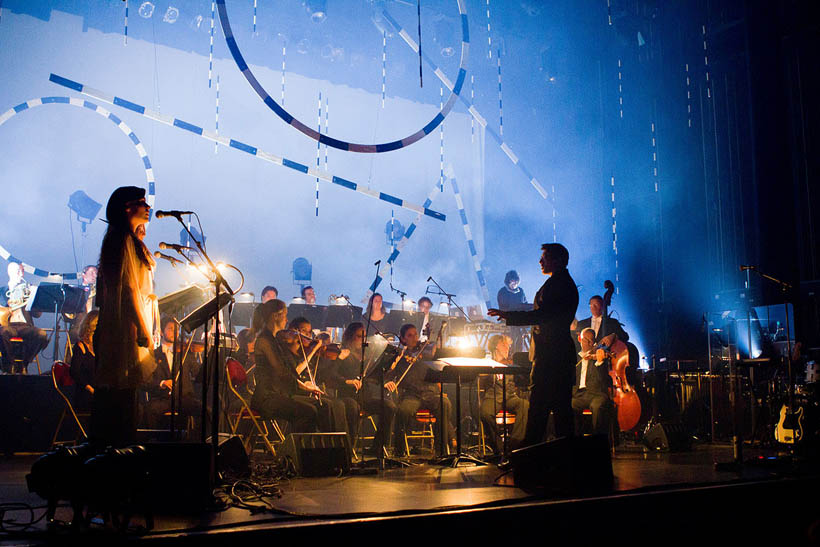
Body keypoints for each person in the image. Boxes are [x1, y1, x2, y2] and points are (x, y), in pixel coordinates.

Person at [488, 243, 579, 444]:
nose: (540, 261)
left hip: (550, 357)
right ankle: (560, 460)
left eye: (544, 257)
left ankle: (529, 458)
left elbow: (542, 316)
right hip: (556, 355)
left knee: (539, 410)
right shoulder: (560, 282)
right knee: (558, 411)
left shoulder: (559, 284)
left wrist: (508, 315)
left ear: (557, 261)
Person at [91, 186, 158, 447]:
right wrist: (142, 329)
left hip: (127, 325)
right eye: (142, 202)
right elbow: (128, 289)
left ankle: (118, 447)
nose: (148, 207)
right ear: (127, 208)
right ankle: (115, 448)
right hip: (123, 330)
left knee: (125, 391)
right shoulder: (121, 241)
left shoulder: (128, 240)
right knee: (120, 389)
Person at [250, 299, 325, 433]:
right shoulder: (264, 341)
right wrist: (305, 387)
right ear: (276, 316)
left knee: (323, 406)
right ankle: (296, 450)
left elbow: (290, 369)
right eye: (285, 315)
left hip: (279, 394)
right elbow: (281, 372)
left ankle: (324, 449)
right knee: (308, 411)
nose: (286, 319)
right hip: (266, 398)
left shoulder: (276, 340)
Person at [288, 317, 355, 441]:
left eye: (309, 332)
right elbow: (293, 372)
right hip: (296, 391)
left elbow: (324, 375)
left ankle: (343, 446)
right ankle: (330, 443)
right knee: (330, 404)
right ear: (293, 331)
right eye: (304, 331)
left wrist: (335, 359)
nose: (308, 335)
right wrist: (313, 350)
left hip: (312, 391)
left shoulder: (313, 353)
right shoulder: (290, 352)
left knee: (341, 404)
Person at [391, 324, 454, 456]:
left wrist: (435, 350)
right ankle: (399, 450)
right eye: (410, 335)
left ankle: (441, 450)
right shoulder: (399, 356)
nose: (414, 338)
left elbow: (438, 362)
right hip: (412, 395)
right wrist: (395, 363)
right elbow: (390, 375)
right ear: (402, 339)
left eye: (415, 334)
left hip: (431, 392)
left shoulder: (426, 351)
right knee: (403, 411)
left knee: (445, 403)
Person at [141, 315, 201, 429]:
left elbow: (198, 373)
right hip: (162, 399)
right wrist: (162, 383)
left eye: (177, 329)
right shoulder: (153, 355)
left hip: (184, 398)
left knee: (207, 412)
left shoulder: (185, 352)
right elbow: (145, 382)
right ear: (162, 332)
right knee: (149, 411)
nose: (175, 332)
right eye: (170, 329)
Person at [479, 334, 529, 454]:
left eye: (508, 345)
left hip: (509, 395)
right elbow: (480, 379)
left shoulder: (511, 362)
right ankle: (499, 447)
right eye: (504, 345)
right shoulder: (486, 362)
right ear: (495, 347)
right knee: (485, 413)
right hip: (493, 396)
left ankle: (515, 444)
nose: (507, 348)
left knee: (524, 404)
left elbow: (521, 380)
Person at [0, 262, 48, 374]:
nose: (21, 275)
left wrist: (35, 298)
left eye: (22, 271)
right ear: (10, 272)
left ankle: (24, 363)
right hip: (9, 324)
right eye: (18, 271)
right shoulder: (1, 291)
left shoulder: (28, 291)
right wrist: (11, 303)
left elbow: (37, 315)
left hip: (25, 326)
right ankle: (9, 363)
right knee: (2, 333)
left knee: (41, 334)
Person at [572, 328, 614, 435]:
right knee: (568, 406)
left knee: (598, 406)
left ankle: (597, 442)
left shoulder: (599, 355)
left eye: (592, 341)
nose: (590, 344)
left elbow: (604, 379)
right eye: (587, 340)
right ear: (579, 339)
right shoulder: (574, 358)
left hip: (596, 394)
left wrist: (599, 362)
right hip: (578, 395)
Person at [69, 310, 99, 411]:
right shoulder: (81, 347)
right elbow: (74, 372)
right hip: (85, 394)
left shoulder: (99, 348)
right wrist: (89, 388)